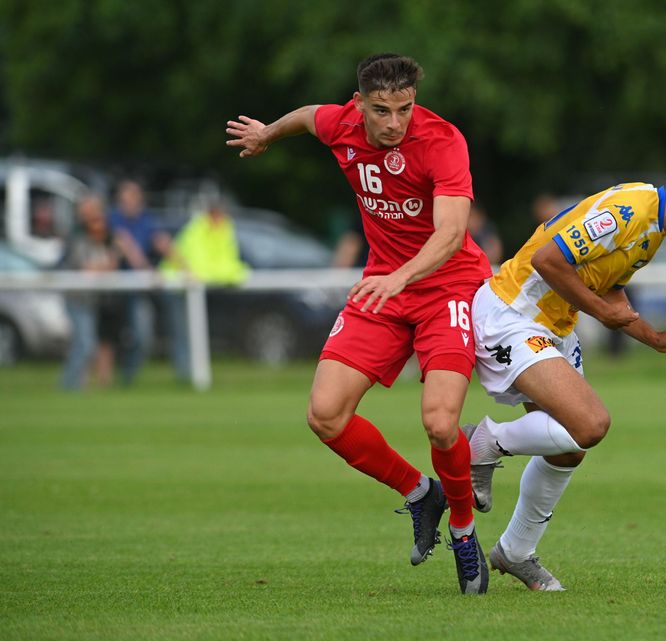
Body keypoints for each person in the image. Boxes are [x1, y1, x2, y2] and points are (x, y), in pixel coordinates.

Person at [225, 53, 493, 594]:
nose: (395, 122)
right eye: (382, 110)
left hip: (448, 286)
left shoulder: (442, 141)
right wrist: (268, 135)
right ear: (359, 104)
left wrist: (402, 278)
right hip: (383, 286)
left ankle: (464, 534)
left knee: (441, 423)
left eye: (405, 109)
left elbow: (449, 234)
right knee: (325, 414)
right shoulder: (340, 122)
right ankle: (422, 494)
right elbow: (306, 115)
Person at [462, 151, 666, 590]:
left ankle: (515, 552)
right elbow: (547, 261)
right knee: (590, 424)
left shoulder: (652, 230)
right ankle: (486, 441)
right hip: (513, 312)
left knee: (569, 448)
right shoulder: (628, 211)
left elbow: (608, 289)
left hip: (553, 325)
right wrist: (598, 310)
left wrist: (655, 338)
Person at [160, 199, 251, 381]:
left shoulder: (225, 228)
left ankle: (191, 376)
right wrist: (232, 273)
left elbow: (226, 261)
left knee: (193, 332)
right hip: (176, 285)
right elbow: (199, 266)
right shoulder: (197, 229)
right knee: (183, 333)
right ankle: (185, 377)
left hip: (196, 287)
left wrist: (234, 273)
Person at [107, 178, 171, 386]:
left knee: (141, 335)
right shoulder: (113, 219)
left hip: (136, 288)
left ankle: (128, 379)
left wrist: (185, 268)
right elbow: (125, 245)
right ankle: (109, 378)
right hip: (112, 289)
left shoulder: (146, 219)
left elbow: (162, 242)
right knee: (110, 337)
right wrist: (146, 270)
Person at [58, 195, 122, 390]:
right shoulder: (78, 240)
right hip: (77, 299)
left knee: (86, 343)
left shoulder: (107, 241)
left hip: (92, 301)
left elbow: (114, 263)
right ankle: (70, 384)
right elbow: (86, 269)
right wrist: (104, 267)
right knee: (85, 343)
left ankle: (72, 384)